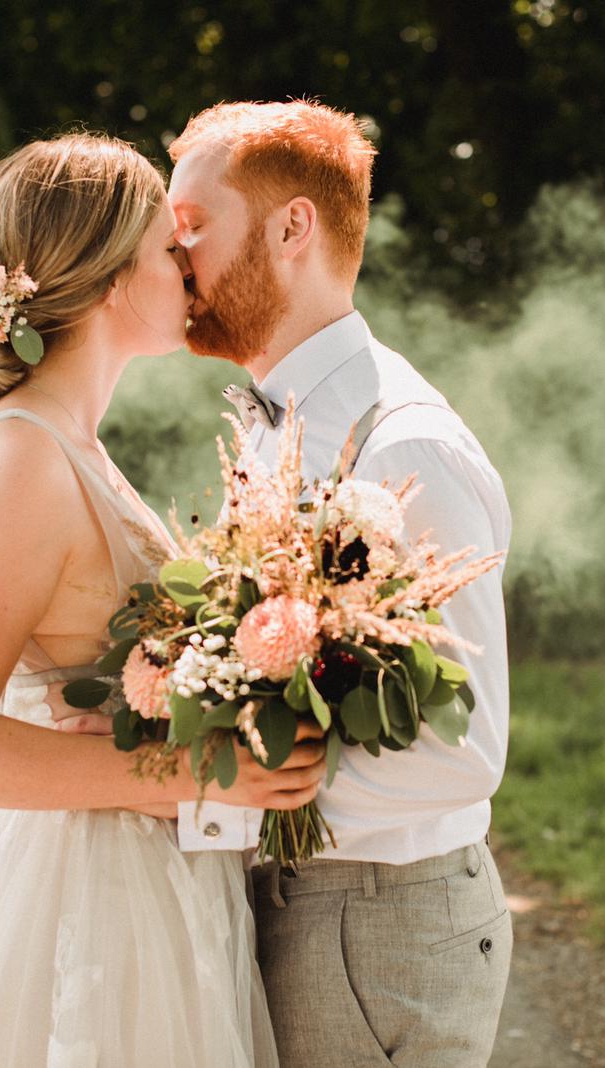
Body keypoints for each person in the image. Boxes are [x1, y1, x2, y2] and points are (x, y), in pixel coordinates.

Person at [0, 132, 319, 1067]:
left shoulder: (71, 442)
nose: (190, 271)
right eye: (171, 248)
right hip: (83, 909)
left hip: (149, 890)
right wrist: (200, 776)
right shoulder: (23, 457)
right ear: (115, 278)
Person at [168, 99, 515, 1066]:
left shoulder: (405, 446)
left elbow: (465, 749)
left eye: (192, 226)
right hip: (314, 902)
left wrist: (236, 792)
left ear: (291, 228)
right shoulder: (284, 418)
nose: (172, 255)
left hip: (379, 923)